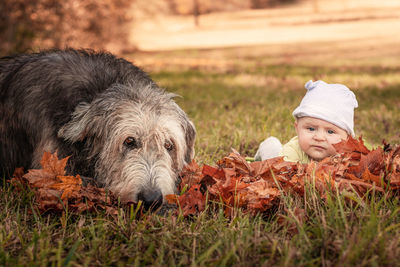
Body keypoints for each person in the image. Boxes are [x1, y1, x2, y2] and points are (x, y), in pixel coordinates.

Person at [254, 80, 358, 163]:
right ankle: (268, 145)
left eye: (330, 132)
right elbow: (282, 178)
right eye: (311, 129)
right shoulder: (291, 153)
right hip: (276, 158)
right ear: (297, 128)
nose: (319, 137)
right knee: (272, 148)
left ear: (347, 138)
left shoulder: (347, 158)